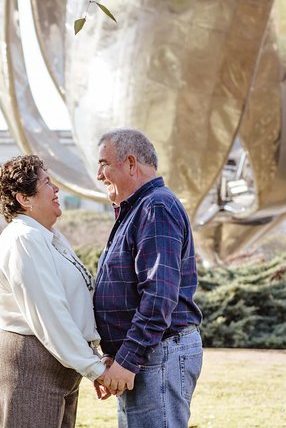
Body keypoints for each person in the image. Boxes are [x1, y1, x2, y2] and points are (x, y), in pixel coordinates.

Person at [93, 129, 204, 427]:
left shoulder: (155, 207)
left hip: (157, 356)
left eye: (104, 164)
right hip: (146, 357)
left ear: (130, 164)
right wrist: (115, 357)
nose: (99, 175)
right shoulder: (138, 209)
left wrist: (127, 360)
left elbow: (158, 297)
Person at [0, 154, 107, 428]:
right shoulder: (24, 240)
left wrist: (90, 360)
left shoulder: (48, 237)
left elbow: (76, 305)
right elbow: (50, 314)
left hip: (57, 365)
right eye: (47, 183)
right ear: (24, 199)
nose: (56, 190)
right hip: (31, 364)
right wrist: (95, 369)